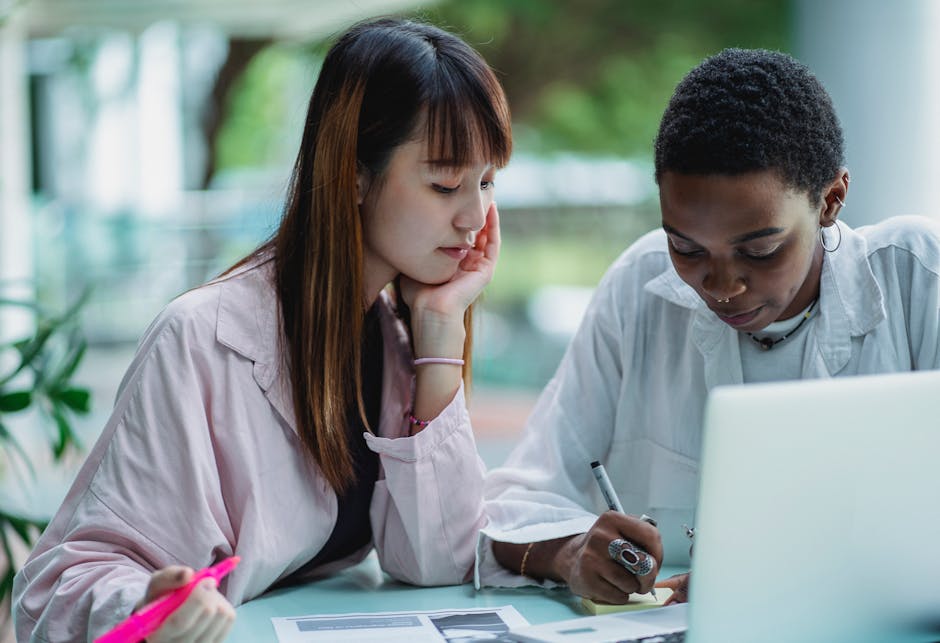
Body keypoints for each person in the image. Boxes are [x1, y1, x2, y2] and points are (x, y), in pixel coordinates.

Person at [13, 17, 511, 641]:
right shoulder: (200, 338)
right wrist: (149, 606)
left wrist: (440, 335)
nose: (475, 216)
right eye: (445, 184)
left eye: (487, 182)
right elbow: (53, 593)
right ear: (355, 172)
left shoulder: (396, 335)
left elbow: (438, 561)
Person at [474, 48, 940, 606]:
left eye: (760, 250)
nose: (721, 284)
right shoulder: (640, 290)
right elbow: (511, 508)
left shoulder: (919, 280)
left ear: (831, 200)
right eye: (686, 247)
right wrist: (571, 553)